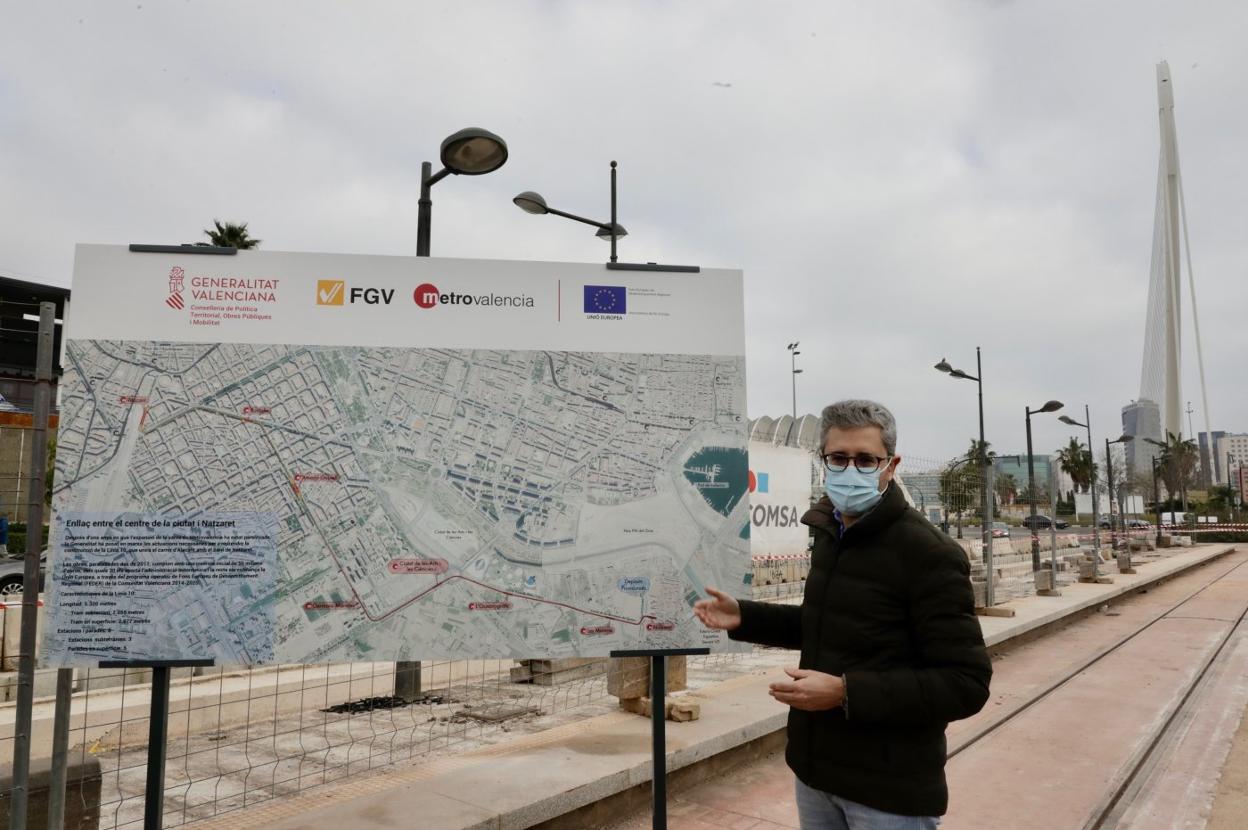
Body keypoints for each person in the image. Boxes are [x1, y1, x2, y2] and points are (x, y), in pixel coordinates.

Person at [695, 399, 991, 829]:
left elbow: (966, 683)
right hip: (816, 776)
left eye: (865, 459)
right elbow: (827, 625)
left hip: (888, 794)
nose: (850, 469)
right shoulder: (832, 535)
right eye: (838, 458)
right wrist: (744, 616)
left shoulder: (929, 554)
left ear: (890, 466)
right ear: (824, 463)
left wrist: (846, 692)